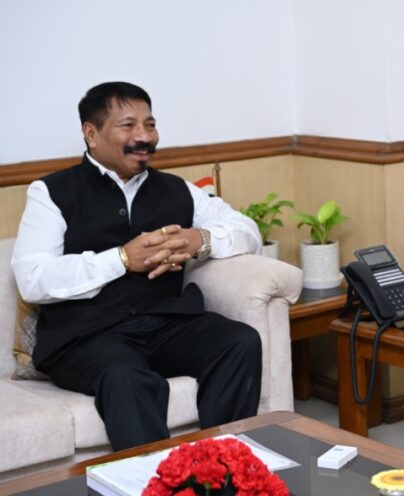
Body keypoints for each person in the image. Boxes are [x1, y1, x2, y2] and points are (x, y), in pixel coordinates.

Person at [11, 82, 264, 451]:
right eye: (128, 126)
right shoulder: (51, 192)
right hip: (86, 337)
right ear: (91, 133)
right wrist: (122, 260)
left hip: (165, 323)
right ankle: (156, 486)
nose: (144, 137)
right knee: (127, 377)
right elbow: (34, 280)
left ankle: (222, 467)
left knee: (239, 341)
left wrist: (201, 240)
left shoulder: (177, 189)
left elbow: (248, 230)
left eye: (150, 124)